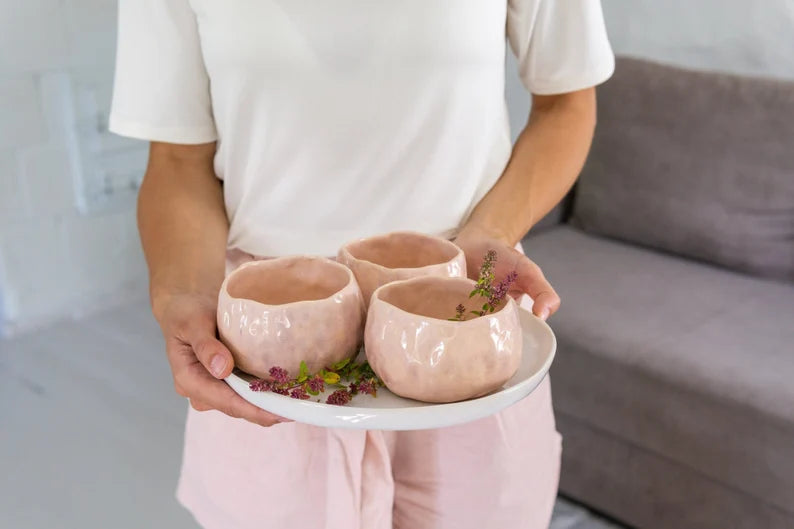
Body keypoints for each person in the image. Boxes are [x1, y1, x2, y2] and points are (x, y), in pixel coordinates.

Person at [109, 1, 614, 527]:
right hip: (271, 335)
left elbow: (566, 104)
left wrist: (493, 234)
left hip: (461, 319)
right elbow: (177, 159)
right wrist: (181, 294)